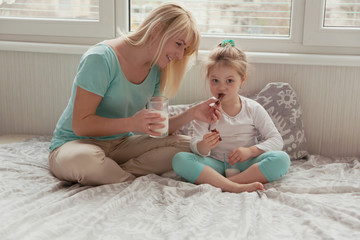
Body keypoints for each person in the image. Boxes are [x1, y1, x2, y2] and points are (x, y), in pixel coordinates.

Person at [48, 2, 221, 186]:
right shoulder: (100, 58)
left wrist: (192, 113)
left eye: (184, 49)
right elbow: (81, 125)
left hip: (121, 144)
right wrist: (131, 123)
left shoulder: (156, 68)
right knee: (87, 161)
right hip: (76, 144)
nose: (179, 55)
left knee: (190, 146)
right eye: (178, 44)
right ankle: (121, 175)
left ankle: (112, 171)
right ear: (156, 29)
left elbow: (158, 129)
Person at [172, 40, 291, 193]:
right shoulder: (205, 111)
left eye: (229, 81)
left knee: (281, 159)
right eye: (215, 80)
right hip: (216, 165)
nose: (221, 87)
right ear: (208, 79)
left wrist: (250, 152)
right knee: (180, 160)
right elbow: (195, 145)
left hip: (247, 165)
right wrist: (204, 146)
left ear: (242, 80)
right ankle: (234, 186)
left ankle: (225, 184)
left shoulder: (253, 108)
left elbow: (276, 140)